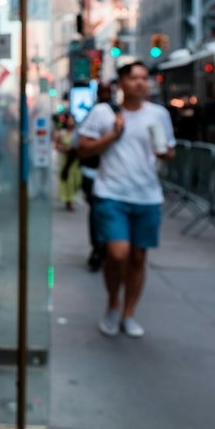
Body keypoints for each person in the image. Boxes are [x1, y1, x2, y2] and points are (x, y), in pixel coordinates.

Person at [76, 61, 175, 339]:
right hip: (111, 194)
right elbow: (83, 149)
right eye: (134, 78)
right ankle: (112, 304)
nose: (141, 83)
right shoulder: (103, 113)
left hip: (146, 195)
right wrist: (112, 135)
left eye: (145, 78)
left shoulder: (159, 115)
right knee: (117, 254)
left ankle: (129, 313)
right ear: (121, 83)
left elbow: (169, 151)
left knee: (138, 257)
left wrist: (164, 153)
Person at [78, 81, 114, 271]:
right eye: (104, 91)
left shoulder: (116, 112)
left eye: (109, 91)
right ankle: (98, 247)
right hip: (93, 172)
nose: (107, 94)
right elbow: (83, 147)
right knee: (97, 210)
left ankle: (104, 246)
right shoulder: (96, 112)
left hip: (111, 175)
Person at [54, 111, 81, 210]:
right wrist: (65, 149)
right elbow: (56, 146)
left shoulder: (78, 133)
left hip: (75, 160)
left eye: (72, 120)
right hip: (66, 159)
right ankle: (69, 200)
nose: (71, 122)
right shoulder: (61, 133)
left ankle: (72, 197)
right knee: (68, 179)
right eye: (69, 120)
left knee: (76, 179)